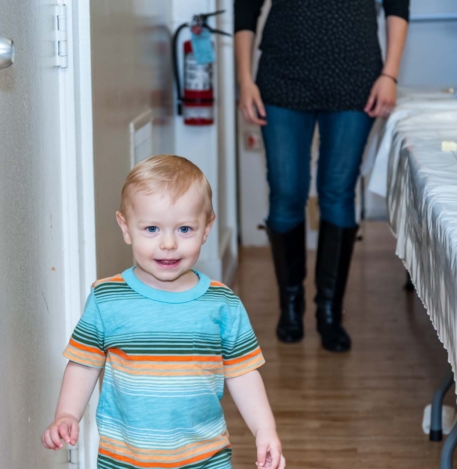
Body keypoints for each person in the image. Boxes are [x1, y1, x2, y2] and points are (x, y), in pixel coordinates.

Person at [43, 155, 285, 469]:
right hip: (125, 459)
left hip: (204, 458)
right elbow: (85, 364)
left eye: (185, 229)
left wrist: (265, 429)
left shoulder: (222, 304)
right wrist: (66, 414)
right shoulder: (107, 298)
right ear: (126, 227)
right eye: (152, 229)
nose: (168, 243)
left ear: (206, 228)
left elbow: (242, 373)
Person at [234, 0, 409, 352]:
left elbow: (397, 6)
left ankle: (330, 313)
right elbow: (246, 8)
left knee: (338, 192)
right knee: (286, 191)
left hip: (355, 75)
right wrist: (244, 80)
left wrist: (389, 74)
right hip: (283, 75)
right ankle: (291, 307)